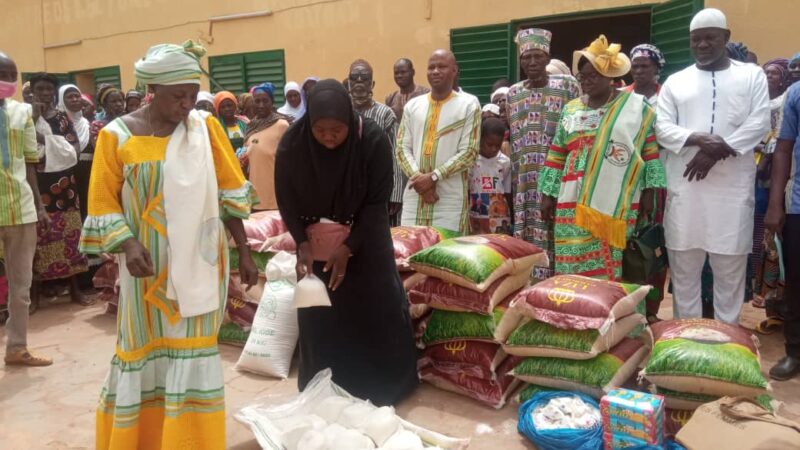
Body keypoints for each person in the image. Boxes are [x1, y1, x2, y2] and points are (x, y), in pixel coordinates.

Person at [79, 41, 258, 448]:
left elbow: (231, 193)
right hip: (145, 269)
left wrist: (244, 251)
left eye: (193, 95)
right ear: (152, 91)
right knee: (141, 349)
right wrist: (126, 245)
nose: (188, 104)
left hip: (199, 266)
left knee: (192, 353)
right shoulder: (115, 136)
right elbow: (103, 201)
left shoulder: (205, 129)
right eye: (178, 96)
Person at [275, 79, 417, 405]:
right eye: (320, 130)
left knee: (374, 306)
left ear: (350, 123)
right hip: (315, 241)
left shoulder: (373, 141)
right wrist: (302, 243)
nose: (328, 137)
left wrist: (349, 247)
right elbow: (287, 200)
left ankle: (383, 385)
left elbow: (375, 203)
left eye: (336, 130)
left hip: (366, 238)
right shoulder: (292, 146)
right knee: (321, 312)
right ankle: (324, 384)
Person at [656, 8, 770, 325]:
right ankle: (686, 339)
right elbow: (662, 128)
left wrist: (717, 149)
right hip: (686, 192)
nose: (702, 45)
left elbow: (759, 122)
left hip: (731, 194)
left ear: (726, 38)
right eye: (696, 40)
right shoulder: (676, 81)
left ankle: (725, 343)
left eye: (710, 38)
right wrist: (697, 138)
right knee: (685, 274)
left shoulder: (752, 76)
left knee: (730, 274)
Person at [539, 36, 665, 282]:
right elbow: (557, 152)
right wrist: (547, 194)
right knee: (571, 254)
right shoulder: (571, 108)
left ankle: (609, 312)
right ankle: (576, 309)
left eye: (592, 76)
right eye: (582, 76)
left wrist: (649, 193)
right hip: (570, 196)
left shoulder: (634, 107)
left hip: (616, 198)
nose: (586, 81)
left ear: (610, 77)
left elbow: (649, 152)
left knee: (611, 256)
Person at [507, 28, 581, 281]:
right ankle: (528, 287)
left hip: (558, 179)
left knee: (557, 232)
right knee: (526, 235)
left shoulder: (568, 87)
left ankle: (559, 286)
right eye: (527, 57)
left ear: (548, 57)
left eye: (538, 56)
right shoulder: (513, 93)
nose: (532, 62)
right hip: (525, 182)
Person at [0, 52, 52, 366]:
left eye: (11, 75)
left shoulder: (23, 113)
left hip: (20, 209)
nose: (6, 81)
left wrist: (40, 207)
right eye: (1, 74)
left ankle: (17, 348)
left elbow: (30, 164)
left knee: (21, 288)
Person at [397, 49, 480, 234]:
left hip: (448, 199)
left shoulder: (469, 104)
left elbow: (469, 152)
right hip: (414, 196)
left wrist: (434, 177)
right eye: (431, 67)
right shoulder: (413, 106)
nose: (435, 71)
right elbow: (402, 148)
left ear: (455, 70)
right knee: (410, 253)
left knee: (447, 255)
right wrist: (420, 180)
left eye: (441, 66)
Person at [28, 73, 89, 306]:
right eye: (40, 89)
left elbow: (72, 149)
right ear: (33, 90)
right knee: (37, 242)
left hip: (64, 188)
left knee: (70, 238)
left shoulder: (62, 117)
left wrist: (43, 138)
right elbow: (22, 147)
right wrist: (34, 119)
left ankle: (75, 291)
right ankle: (35, 297)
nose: (44, 93)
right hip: (36, 184)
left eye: (48, 89)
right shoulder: (24, 116)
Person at [626, 43, 669, 323]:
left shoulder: (667, 97)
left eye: (645, 66)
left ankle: (652, 308)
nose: (640, 71)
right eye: (636, 66)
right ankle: (631, 305)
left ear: (657, 69)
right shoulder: (621, 98)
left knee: (653, 241)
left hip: (659, 178)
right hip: (627, 180)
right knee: (629, 243)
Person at [765, 66, 800, 380]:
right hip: (799, 205)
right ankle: (793, 352)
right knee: (796, 285)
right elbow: (783, 149)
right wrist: (776, 203)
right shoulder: (796, 94)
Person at [753, 57, 792, 312]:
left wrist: (765, 156)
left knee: (774, 234)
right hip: (755, 172)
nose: (769, 77)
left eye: (775, 74)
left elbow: (780, 139)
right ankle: (761, 288)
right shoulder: (756, 100)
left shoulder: (786, 101)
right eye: (766, 73)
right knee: (759, 234)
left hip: (773, 174)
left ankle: (776, 293)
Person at [347, 59, 404, 226]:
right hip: (349, 191)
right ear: (349, 82)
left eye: (364, 78)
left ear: (372, 83)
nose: (359, 81)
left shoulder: (385, 114)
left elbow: (396, 154)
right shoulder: (341, 111)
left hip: (378, 190)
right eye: (354, 77)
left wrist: (396, 194)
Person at [242, 82, 290, 211]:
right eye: (257, 101)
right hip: (255, 196)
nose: (261, 105)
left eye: (265, 101)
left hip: (275, 196)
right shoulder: (251, 127)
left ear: (272, 102)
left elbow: (290, 162)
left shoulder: (282, 125)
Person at [469, 118, 512, 235]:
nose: (493, 148)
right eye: (489, 144)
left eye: (497, 145)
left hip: (499, 214)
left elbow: (507, 192)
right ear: (480, 138)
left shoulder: (505, 162)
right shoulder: (471, 161)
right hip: (475, 212)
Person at [57, 84, 93, 220]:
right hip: (67, 174)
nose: (75, 99)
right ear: (61, 100)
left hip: (88, 173)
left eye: (77, 96)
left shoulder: (88, 124)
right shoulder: (58, 124)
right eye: (69, 97)